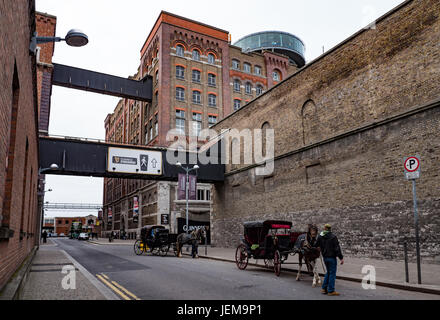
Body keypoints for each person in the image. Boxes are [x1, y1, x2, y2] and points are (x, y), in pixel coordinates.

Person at [315, 224, 344, 296]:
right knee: (332, 274)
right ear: (330, 229)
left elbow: (316, 245)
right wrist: (341, 258)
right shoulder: (333, 237)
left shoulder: (320, 236)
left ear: (324, 229)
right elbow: (337, 248)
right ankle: (331, 290)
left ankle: (324, 289)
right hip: (331, 258)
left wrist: (320, 247)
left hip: (325, 258)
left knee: (328, 272)